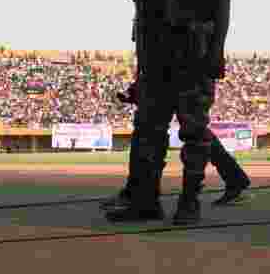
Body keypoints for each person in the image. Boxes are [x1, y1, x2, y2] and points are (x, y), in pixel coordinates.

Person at [104, 0, 234, 225]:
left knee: (193, 132)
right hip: (158, 53)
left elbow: (222, 3)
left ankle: (189, 203)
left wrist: (217, 49)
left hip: (192, 51)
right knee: (148, 128)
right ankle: (146, 201)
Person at [99, 83, 253, 214]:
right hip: (171, 78)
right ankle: (141, 196)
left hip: (182, 77)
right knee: (183, 131)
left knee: (188, 132)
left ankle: (176, 200)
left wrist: (139, 87)